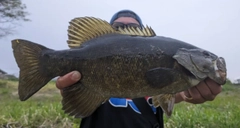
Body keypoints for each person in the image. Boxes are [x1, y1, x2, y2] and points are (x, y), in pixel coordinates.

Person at [56, 10, 222, 128]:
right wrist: (70, 90)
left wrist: (188, 94)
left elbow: (179, 95)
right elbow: (74, 96)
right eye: (118, 27)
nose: (125, 31)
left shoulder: (173, 75)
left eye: (133, 28)